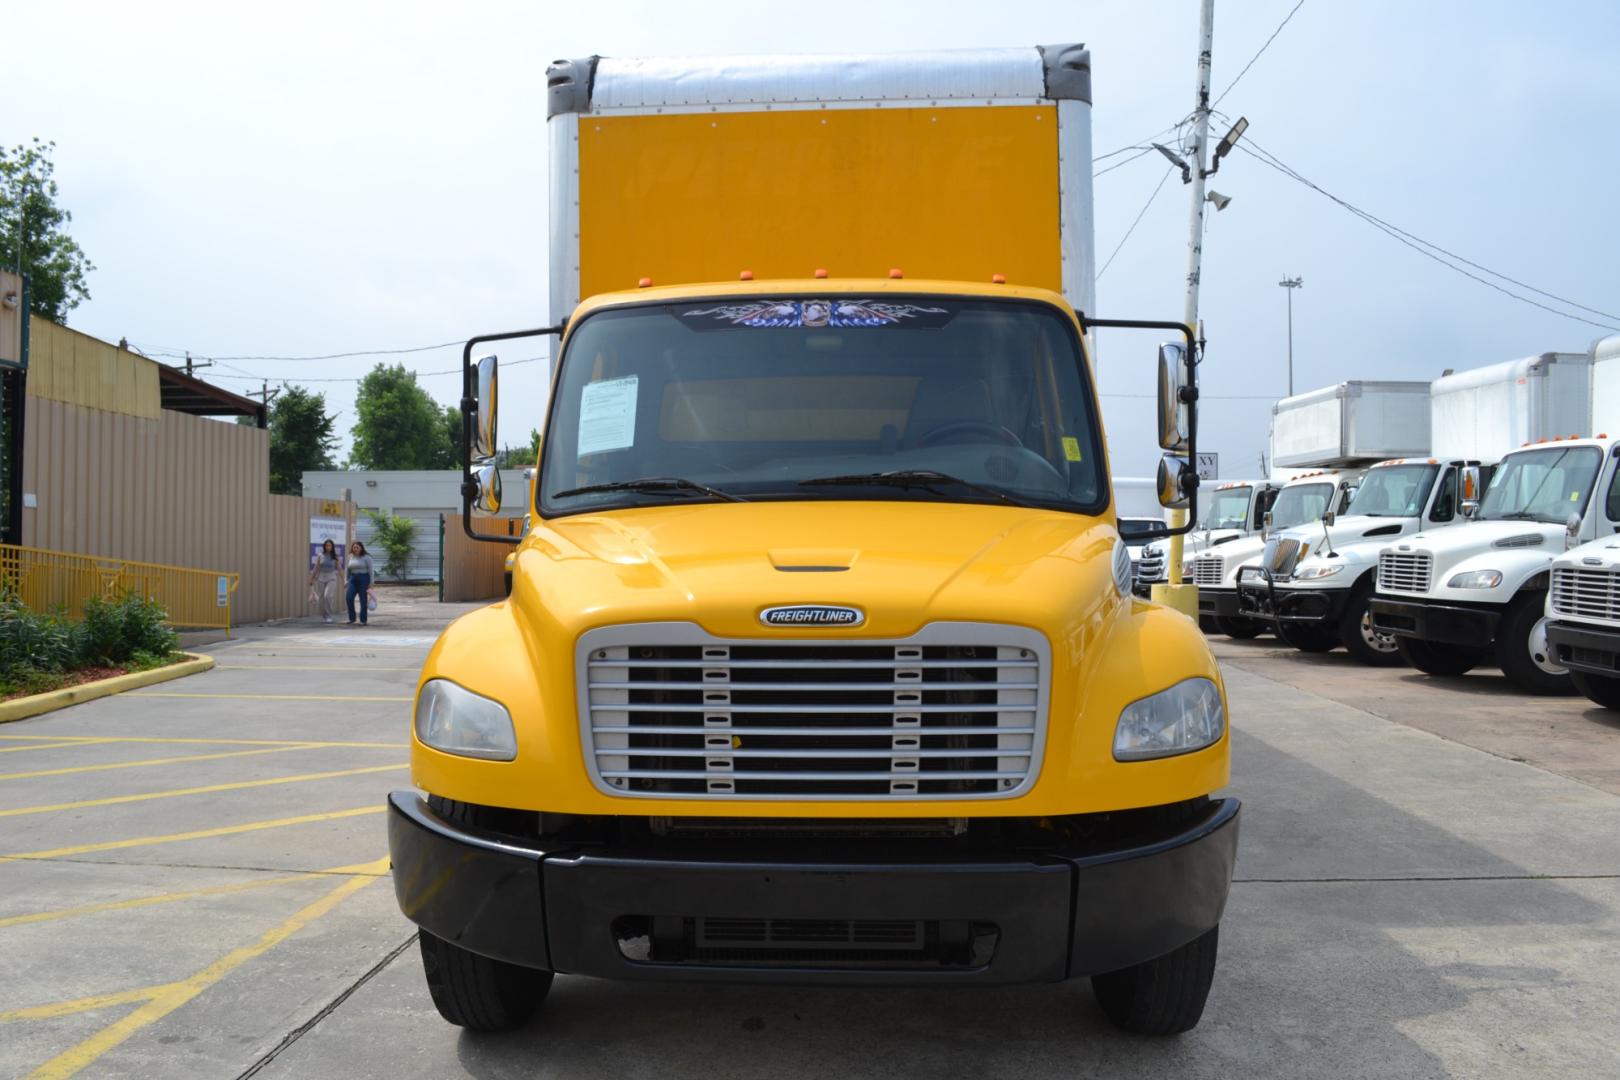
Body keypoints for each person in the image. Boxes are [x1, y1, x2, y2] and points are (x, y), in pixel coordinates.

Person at [309, 538, 342, 624]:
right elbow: (316, 568)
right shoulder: (320, 555)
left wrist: (344, 580)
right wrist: (311, 578)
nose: (328, 547)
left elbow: (339, 569)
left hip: (331, 577)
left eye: (330, 545)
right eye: (326, 545)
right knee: (322, 599)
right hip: (321, 577)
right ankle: (324, 615)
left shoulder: (335, 556)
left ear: (332, 546)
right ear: (324, 546)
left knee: (328, 596)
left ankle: (328, 615)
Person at [345, 541, 376, 626]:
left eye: (357, 547)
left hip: (364, 578)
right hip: (353, 579)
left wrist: (371, 582)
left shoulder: (367, 557)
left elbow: (371, 571)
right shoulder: (350, 557)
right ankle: (352, 618)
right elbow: (347, 570)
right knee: (349, 597)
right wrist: (346, 581)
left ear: (361, 548)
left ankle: (363, 620)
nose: (356, 549)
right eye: (354, 547)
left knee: (363, 600)